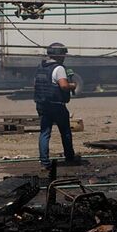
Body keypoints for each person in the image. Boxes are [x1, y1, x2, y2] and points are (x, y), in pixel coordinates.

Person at [33, 41, 80, 170]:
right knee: (65, 132)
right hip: (56, 105)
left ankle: (44, 162)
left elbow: (35, 85)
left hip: (42, 104)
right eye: (63, 55)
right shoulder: (59, 68)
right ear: (59, 56)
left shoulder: (41, 67)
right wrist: (73, 85)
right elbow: (64, 85)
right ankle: (69, 157)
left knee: (44, 133)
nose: (64, 57)